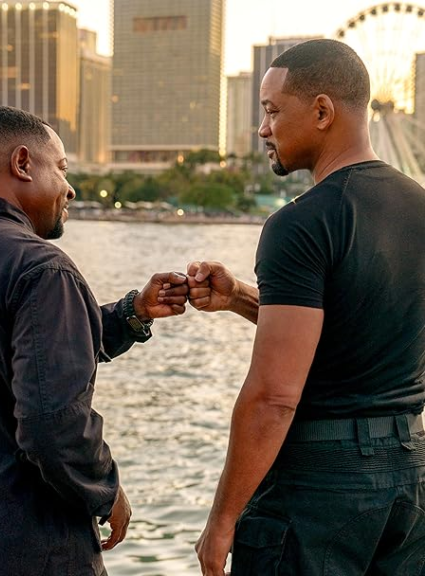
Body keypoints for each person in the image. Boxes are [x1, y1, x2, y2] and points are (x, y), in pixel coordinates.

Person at [0, 105, 191, 575]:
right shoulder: (42, 268)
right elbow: (52, 425)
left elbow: (8, 355)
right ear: (22, 163)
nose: (70, 188)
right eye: (61, 168)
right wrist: (106, 489)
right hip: (26, 548)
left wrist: (132, 313)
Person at [189, 39, 425, 576]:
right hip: (410, 477)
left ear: (322, 111)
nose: (262, 129)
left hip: (322, 487)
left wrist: (222, 519)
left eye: (272, 111)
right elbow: (356, 325)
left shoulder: (301, 223)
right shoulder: (419, 208)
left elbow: (273, 396)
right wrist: (240, 297)